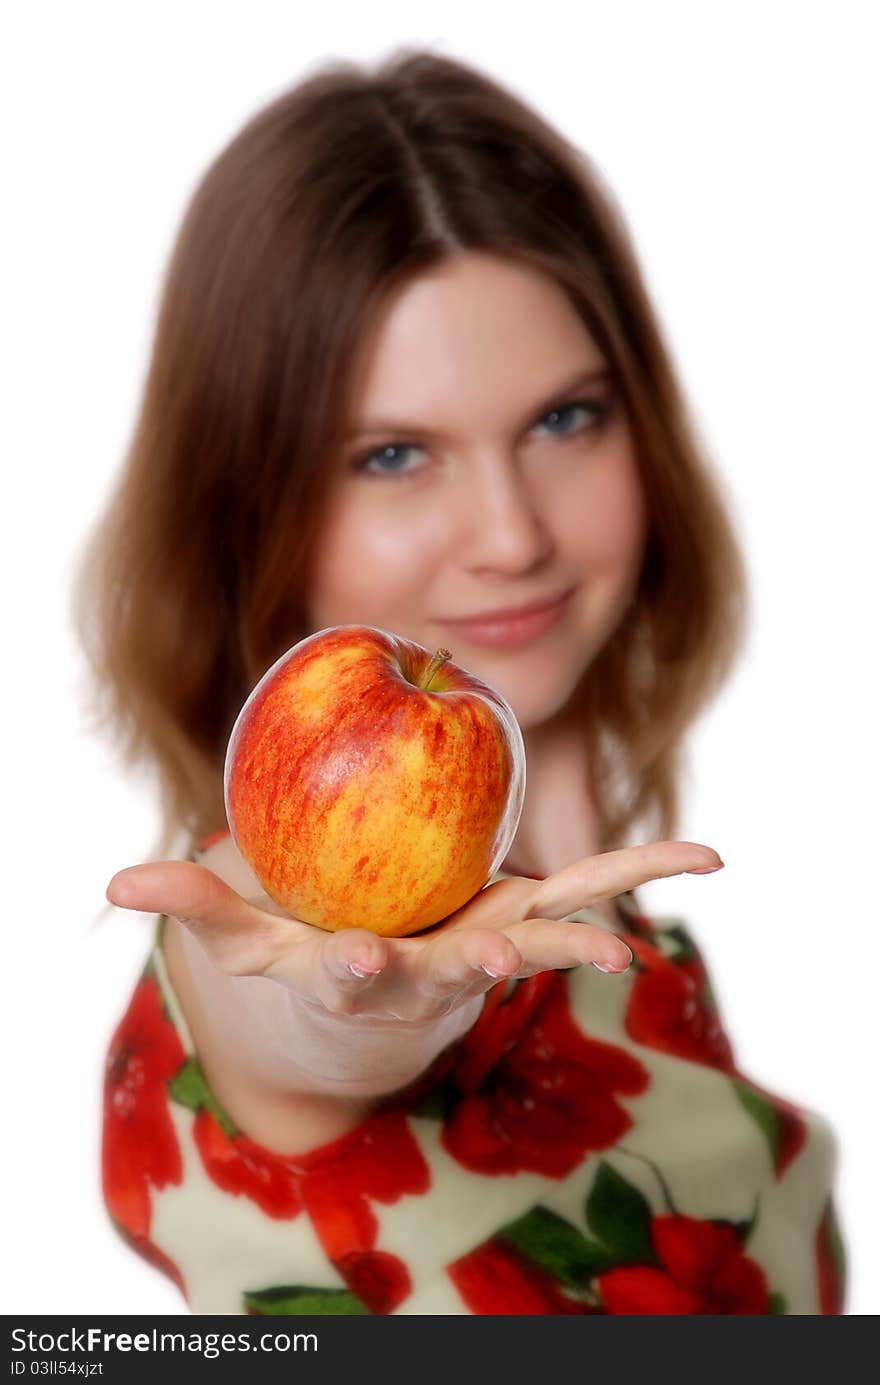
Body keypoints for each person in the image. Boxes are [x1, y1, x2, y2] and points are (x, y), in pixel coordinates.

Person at [72, 47, 846, 1316]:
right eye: (391, 453)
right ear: (244, 506)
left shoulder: (600, 904)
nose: (509, 533)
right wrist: (357, 1007)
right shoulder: (252, 932)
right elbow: (312, 1012)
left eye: (563, 420)